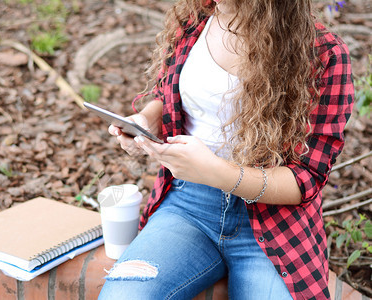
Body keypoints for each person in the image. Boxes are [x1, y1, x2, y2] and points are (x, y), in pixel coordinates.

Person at [99, 0, 354, 299]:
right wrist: (146, 121)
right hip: (187, 206)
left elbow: (305, 179)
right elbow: (168, 94)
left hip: (275, 221)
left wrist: (216, 172)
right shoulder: (196, 20)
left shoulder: (322, 54)